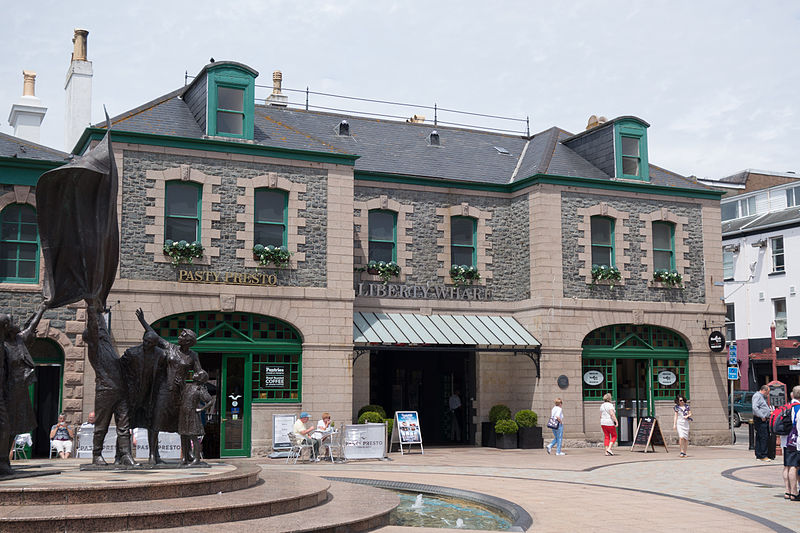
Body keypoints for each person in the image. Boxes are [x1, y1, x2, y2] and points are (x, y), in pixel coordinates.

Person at [135, 308, 204, 464]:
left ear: (188, 341)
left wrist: (200, 376)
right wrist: (143, 321)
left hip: (181, 393)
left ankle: (187, 456)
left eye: (182, 336)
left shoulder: (193, 355)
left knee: (183, 425)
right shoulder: (170, 347)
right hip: (164, 390)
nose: (179, 337)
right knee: (156, 421)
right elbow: (156, 337)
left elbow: (200, 373)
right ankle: (153, 455)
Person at [83, 304, 136, 466]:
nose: (101, 331)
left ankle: (126, 455)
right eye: (98, 332)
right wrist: (91, 311)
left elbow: (102, 328)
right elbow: (93, 329)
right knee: (101, 425)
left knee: (124, 425)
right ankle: (96, 454)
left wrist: (98, 311)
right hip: (105, 391)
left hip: (120, 391)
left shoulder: (107, 344)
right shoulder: (94, 348)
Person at [0, 306, 45, 474]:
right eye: (12, 321)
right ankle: (3, 460)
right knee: (6, 425)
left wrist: (43, 307)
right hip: (7, 390)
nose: (16, 323)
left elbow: (32, 326)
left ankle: (4, 459)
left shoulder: (19, 341)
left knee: (14, 426)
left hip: (20, 390)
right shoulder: (2, 346)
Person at [179, 370, 214, 465]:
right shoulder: (187, 386)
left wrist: (201, 409)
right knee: (183, 435)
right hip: (183, 414)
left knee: (194, 437)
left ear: (201, 379)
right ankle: (185, 458)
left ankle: (196, 459)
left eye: (198, 374)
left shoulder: (200, 389)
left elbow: (210, 401)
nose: (195, 374)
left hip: (192, 414)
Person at [781, 385, 800, 501]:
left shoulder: (787, 405)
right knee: (794, 466)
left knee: (787, 466)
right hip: (794, 441)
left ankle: (787, 490)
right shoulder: (798, 407)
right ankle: (794, 491)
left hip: (786, 440)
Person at [752, 385, 772, 462]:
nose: (768, 394)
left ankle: (759, 454)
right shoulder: (757, 396)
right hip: (760, 419)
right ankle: (763, 455)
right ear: (764, 390)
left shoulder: (761, 397)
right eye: (767, 392)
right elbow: (755, 407)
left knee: (760, 436)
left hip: (763, 419)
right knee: (764, 437)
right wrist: (762, 416)